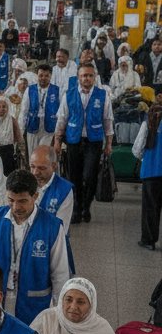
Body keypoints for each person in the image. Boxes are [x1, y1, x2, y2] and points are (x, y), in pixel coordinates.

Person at [0, 169, 70, 325]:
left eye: (22, 201)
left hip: (34, 301)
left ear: (35, 196)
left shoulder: (51, 226)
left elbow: (60, 273)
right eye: (11, 200)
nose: (15, 207)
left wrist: (59, 313)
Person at [54, 63, 115, 226]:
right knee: (74, 177)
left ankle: (86, 206)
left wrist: (109, 143)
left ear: (94, 77)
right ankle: (76, 208)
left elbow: (108, 120)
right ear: (78, 77)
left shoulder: (103, 95)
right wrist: (57, 141)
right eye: (83, 75)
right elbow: (62, 119)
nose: (86, 78)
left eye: (89, 75)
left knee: (89, 176)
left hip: (93, 142)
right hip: (74, 140)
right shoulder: (69, 95)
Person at [133, 101, 162, 250]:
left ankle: (148, 240)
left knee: (150, 208)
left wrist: (147, 158)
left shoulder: (149, 123)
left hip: (151, 171)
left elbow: (137, 149)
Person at [19, 63, 61, 160]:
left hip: (49, 127)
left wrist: (59, 132)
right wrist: (21, 131)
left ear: (50, 76)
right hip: (32, 126)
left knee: (44, 155)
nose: (43, 78)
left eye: (46, 76)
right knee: (32, 156)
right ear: (37, 75)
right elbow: (24, 111)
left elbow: (61, 112)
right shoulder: (30, 89)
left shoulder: (57, 90)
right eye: (41, 75)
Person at [30, 144, 75, 234]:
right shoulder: (25, 182)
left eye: (41, 168)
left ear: (54, 166)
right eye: (32, 166)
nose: (35, 172)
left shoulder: (64, 190)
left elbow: (61, 229)